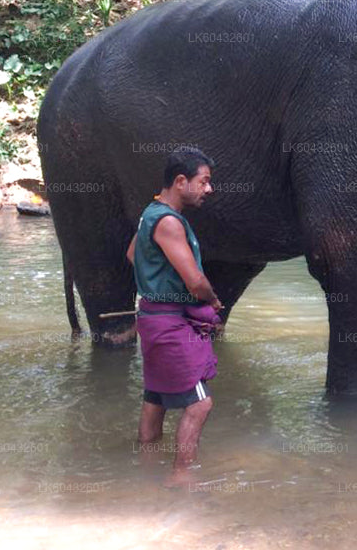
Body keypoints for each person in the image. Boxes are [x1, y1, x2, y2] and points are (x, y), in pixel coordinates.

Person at [125, 146, 223, 487]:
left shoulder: (151, 213)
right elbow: (195, 282)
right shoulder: (169, 222)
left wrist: (155, 280)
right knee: (199, 404)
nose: (208, 189)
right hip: (169, 323)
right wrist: (213, 303)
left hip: (151, 318)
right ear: (181, 181)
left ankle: (145, 464)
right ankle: (181, 476)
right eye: (204, 181)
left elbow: (132, 253)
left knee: (156, 396)